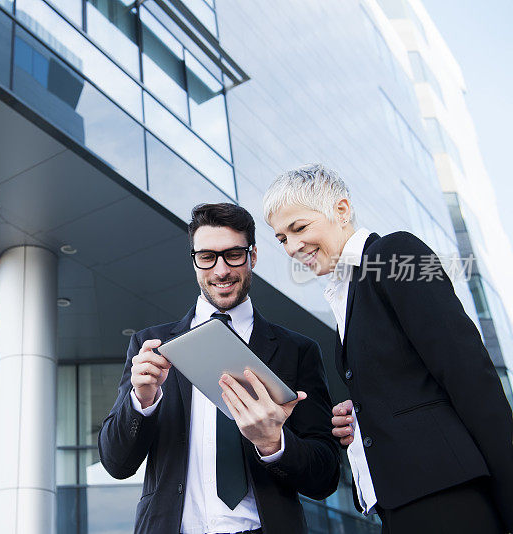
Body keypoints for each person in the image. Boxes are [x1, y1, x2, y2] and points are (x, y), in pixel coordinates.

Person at [263, 163, 513, 534]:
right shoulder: (347, 295)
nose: (292, 246)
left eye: (299, 228)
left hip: (446, 496)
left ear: (342, 210)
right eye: (282, 238)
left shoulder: (395, 253)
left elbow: (470, 374)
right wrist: (365, 417)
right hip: (399, 505)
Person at [98, 203, 340, 534]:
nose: (221, 270)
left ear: (253, 256)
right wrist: (142, 401)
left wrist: (274, 443)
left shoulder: (297, 351)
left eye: (233, 255)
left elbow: (326, 476)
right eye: (207, 257)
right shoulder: (150, 345)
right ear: (194, 261)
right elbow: (116, 463)